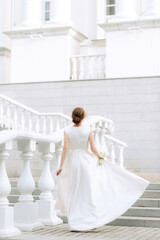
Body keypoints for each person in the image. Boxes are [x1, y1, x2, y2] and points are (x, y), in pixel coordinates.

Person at [55, 107, 149, 231]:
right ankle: (90, 221)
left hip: (73, 163)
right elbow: (93, 149)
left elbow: (65, 149)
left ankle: (75, 222)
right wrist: (100, 156)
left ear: (73, 116)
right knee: (87, 192)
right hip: (85, 162)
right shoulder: (88, 130)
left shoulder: (67, 130)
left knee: (74, 192)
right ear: (83, 117)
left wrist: (61, 166)